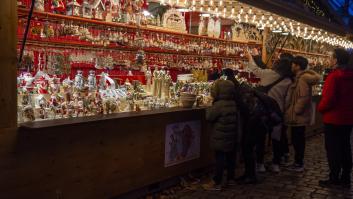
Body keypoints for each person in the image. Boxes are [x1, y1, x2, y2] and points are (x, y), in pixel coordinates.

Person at [245, 50, 294, 173]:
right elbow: (288, 100)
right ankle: (276, 163)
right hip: (277, 112)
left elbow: (255, 69)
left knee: (261, 137)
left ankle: (260, 164)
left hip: (263, 111)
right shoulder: (289, 81)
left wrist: (250, 57)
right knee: (276, 138)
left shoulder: (268, 74)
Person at [318, 48, 353, 188]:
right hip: (348, 118)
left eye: (331, 57)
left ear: (336, 60)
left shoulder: (334, 76)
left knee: (333, 149)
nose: (329, 59)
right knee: (345, 147)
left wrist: (320, 108)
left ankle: (334, 177)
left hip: (333, 118)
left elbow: (329, 99)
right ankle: (345, 177)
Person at [285, 56, 321, 172]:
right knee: (298, 139)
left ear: (298, 66)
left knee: (298, 139)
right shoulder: (302, 77)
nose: (291, 66)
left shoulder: (302, 79)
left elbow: (303, 97)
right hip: (300, 115)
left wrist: (296, 110)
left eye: (293, 64)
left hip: (299, 116)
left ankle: (298, 163)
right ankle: (297, 162)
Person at [203, 79, 238, 191]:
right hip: (231, 135)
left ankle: (216, 182)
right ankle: (230, 179)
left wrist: (208, 105)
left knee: (220, 159)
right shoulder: (233, 103)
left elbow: (209, 117)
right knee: (230, 157)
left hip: (220, 136)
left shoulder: (219, 105)